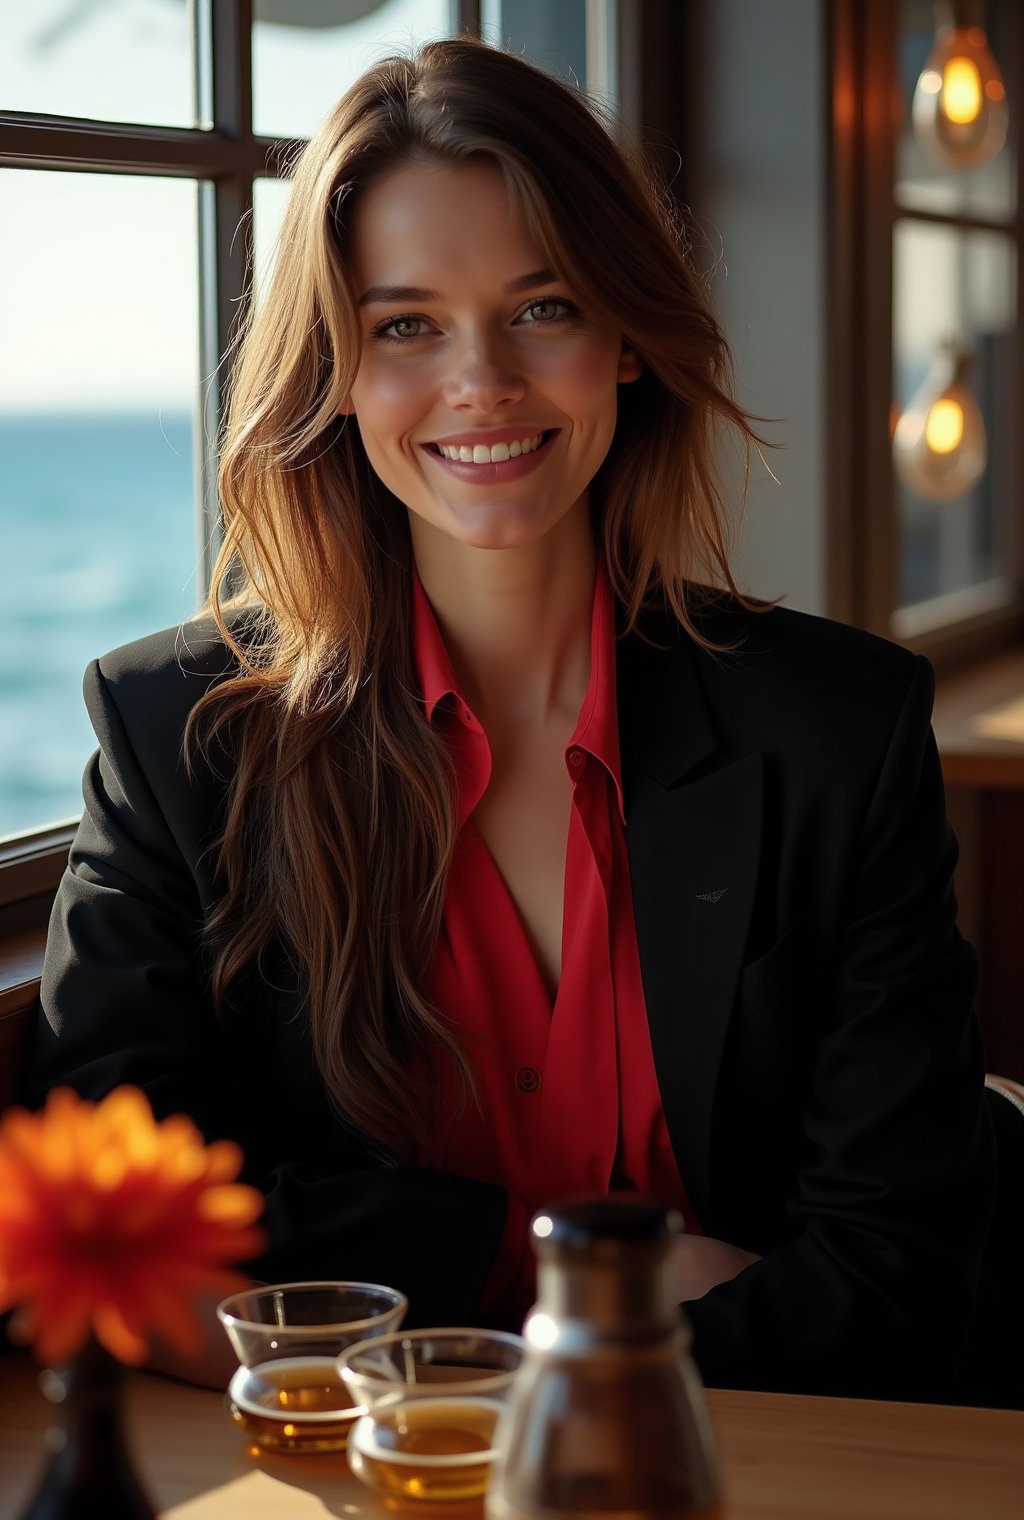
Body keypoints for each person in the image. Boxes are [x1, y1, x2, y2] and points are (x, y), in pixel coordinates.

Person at [27, 36, 994, 1402]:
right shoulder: (173, 735)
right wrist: (565, 1272)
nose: (481, 381)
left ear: (626, 340)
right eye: (404, 324)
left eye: (542, 308)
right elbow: (99, 1231)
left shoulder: (840, 730)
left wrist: (390, 1331)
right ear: (335, 372)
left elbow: (900, 1274)